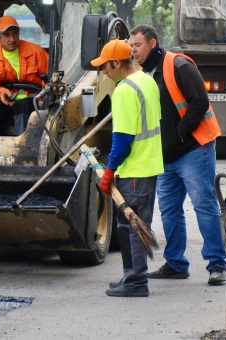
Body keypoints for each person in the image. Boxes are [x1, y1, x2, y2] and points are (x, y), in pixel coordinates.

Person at [128, 25, 226, 286]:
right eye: (131, 46)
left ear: (152, 42)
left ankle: (217, 265)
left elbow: (200, 102)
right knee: (170, 210)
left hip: (194, 149)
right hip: (166, 155)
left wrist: (181, 135)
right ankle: (175, 263)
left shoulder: (178, 64)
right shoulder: (142, 73)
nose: (133, 50)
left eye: (137, 45)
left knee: (204, 206)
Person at [90, 39, 164, 297]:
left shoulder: (123, 91)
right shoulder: (147, 81)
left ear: (116, 63)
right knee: (131, 224)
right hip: (149, 165)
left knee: (133, 227)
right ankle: (130, 276)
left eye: (105, 67)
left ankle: (136, 282)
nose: (104, 73)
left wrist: (109, 170)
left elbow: (122, 139)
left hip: (134, 169)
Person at [0, 16, 48, 136]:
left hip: (30, 99)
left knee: (23, 106)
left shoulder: (36, 52)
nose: (12, 39)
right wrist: (1, 93)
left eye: (15, 34)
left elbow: (50, 79)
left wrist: (44, 95)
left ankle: (21, 146)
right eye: (6, 35)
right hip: (3, 100)